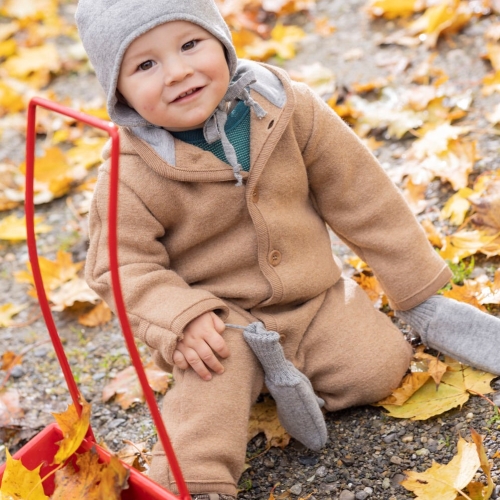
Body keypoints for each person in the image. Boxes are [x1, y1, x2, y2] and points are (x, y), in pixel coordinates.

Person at [75, 0, 500, 498]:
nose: (178, 71)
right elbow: (120, 265)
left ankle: (280, 374)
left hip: (311, 299)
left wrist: (417, 292)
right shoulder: (129, 173)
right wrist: (180, 318)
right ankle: (197, 482)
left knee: (380, 368)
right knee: (209, 398)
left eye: (191, 44)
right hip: (218, 322)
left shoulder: (284, 108)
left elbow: (362, 197)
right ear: (118, 91)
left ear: (222, 40)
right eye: (145, 65)